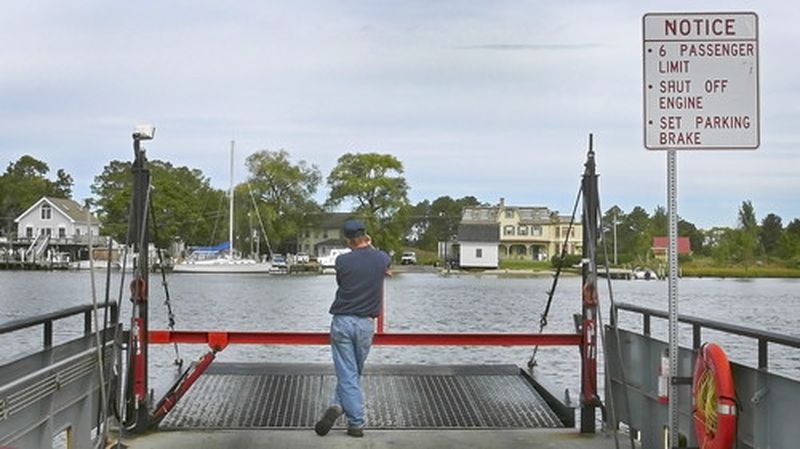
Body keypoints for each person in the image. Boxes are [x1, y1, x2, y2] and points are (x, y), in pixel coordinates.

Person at [315, 219, 391, 438]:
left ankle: (340, 408)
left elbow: (342, 282)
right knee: (353, 372)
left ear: (347, 240)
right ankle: (355, 422)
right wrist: (372, 247)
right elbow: (382, 262)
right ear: (366, 236)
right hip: (366, 323)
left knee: (348, 372)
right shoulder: (382, 258)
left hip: (342, 322)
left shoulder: (342, 261)